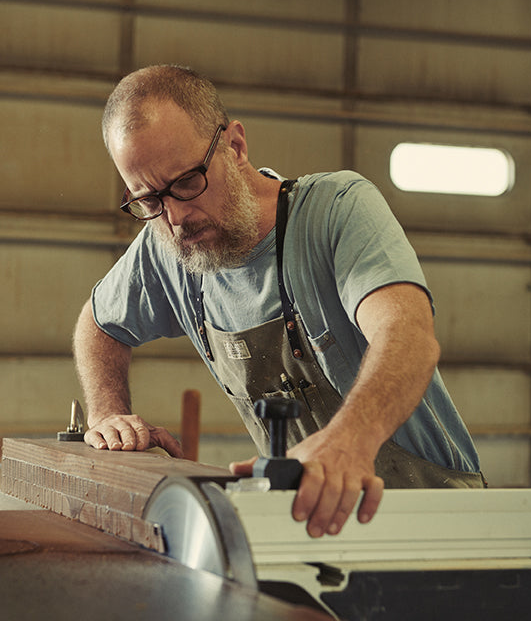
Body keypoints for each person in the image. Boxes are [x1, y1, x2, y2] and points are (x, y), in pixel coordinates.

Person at [73, 65, 485, 539]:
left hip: (440, 524)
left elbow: (408, 336)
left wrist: (351, 440)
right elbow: (98, 324)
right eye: (149, 200)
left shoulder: (337, 210)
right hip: (311, 530)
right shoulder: (167, 248)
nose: (177, 217)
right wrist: (108, 413)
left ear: (235, 145)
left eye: (188, 182)